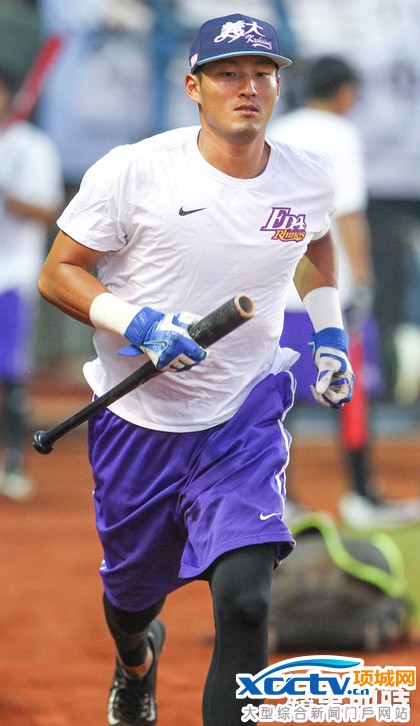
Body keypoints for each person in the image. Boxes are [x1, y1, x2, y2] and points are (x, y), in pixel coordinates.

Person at [37, 13, 355, 726]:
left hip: (243, 417)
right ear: (193, 87)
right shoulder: (134, 170)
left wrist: (331, 333)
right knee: (132, 603)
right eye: (228, 74)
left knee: (246, 603)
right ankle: (136, 661)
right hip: (138, 422)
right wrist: (139, 324)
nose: (248, 88)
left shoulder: (308, 176)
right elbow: (58, 273)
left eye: (263, 73)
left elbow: (316, 245)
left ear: (280, 84)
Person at [269, 55, 420, 529]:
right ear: (344, 91)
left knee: (279, 397)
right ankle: (361, 496)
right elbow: (349, 211)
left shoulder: (279, 128)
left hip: (278, 284)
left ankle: (279, 499)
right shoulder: (340, 134)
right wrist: (365, 279)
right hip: (330, 288)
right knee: (349, 392)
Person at [0, 67, 64, 501]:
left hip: (11, 276)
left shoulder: (32, 147)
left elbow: (49, 211)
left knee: (10, 376)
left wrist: (10, 196)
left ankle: (13, 463)